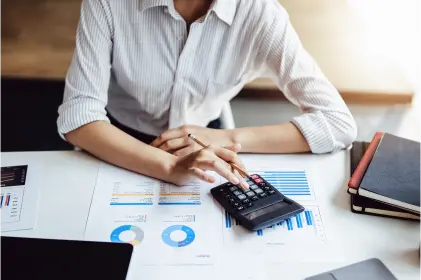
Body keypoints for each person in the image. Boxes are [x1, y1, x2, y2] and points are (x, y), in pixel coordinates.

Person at [57, 0, 357, 189]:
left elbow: (337, 124)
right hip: (118, 139)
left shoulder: (261, 13)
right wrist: (170, 167)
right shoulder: (108, 3)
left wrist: (227, 139)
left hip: (209, 144)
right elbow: (78, 116)